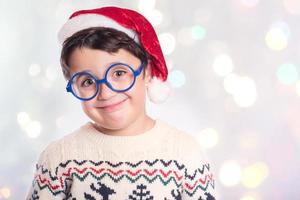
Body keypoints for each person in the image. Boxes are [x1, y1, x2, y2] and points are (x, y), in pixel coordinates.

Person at [26, 6, 216, 200]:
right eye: (88, 82)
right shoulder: (59, 158)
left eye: (119, 73)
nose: (106, 93)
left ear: (147, 71)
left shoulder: (184, 153)